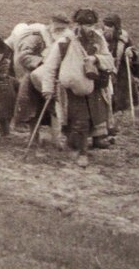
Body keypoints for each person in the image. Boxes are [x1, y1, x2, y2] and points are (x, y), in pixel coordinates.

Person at [35, 9, 116, 167]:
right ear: (77, 25)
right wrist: (48, 88)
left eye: (91, 25)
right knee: (80, 121)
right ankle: (81, 152)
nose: (89, 28)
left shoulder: (98, 40)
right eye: (85, 25)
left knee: (90, 120)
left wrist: (95, 58)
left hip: (94, 87)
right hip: (70, 90)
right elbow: (51, 66)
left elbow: (109, 60)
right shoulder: (65, 42)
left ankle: (76, 147)